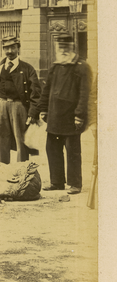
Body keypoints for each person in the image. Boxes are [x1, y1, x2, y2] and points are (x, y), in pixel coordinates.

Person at [37, 32, 91, 194]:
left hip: (71, 118)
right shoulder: (55, 66)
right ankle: (57, 182)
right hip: (54, 117)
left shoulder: (82, 67)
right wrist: (42, 109)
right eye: (60, 46)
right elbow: (46, 90)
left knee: (73, 151)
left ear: (72, 47)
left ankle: (75, 184)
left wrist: (80, 115)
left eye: (66, 46)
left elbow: (84, 94)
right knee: (52, 148)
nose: (63, 50)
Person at [0, 36, 41, 164]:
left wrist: (32, 113)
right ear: (3, 49)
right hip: (0, 106)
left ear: (18, 49)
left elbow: (36, 93)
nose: (9, 51)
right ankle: (4, 171)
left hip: (19, 107)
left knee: (21, 141)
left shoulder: (27, 69)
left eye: (13, 48)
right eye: (6, 48)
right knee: (2, 140)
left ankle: (22, 171)